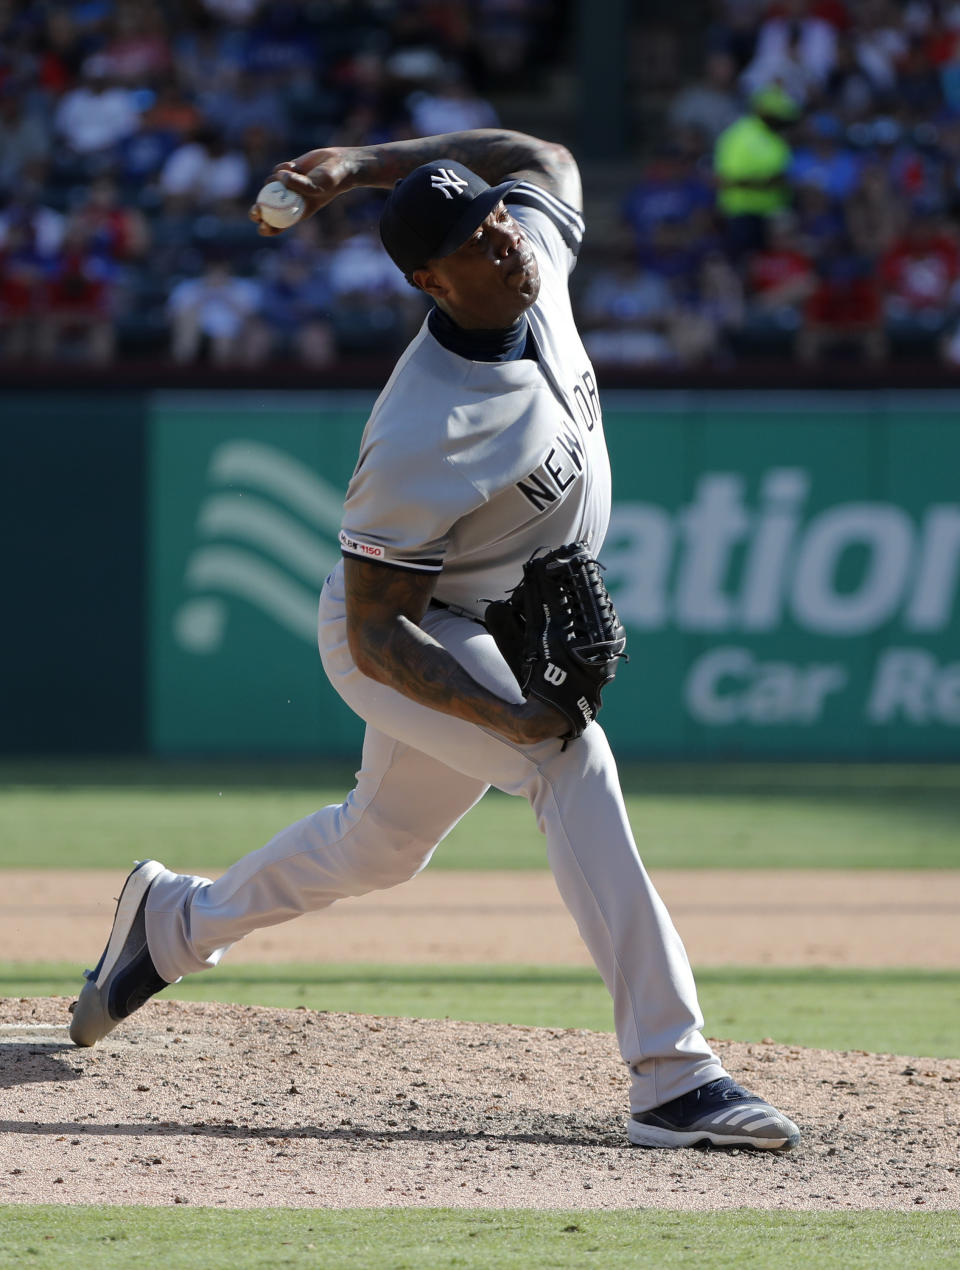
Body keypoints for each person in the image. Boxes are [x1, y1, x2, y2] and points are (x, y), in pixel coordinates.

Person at [69, 127, 800, 1152]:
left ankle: (173, 924)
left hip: (482, 615)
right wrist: (510, 716)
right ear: (429, 279)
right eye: (470, 237)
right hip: (411, 634)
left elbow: (541, 152)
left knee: (380, 844)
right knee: (565, 756)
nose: (501, 239)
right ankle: (675, 1075)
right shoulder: (425, 425)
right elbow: (377, 630)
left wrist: (356, 162)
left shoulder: (531, 253)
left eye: (493, 215)